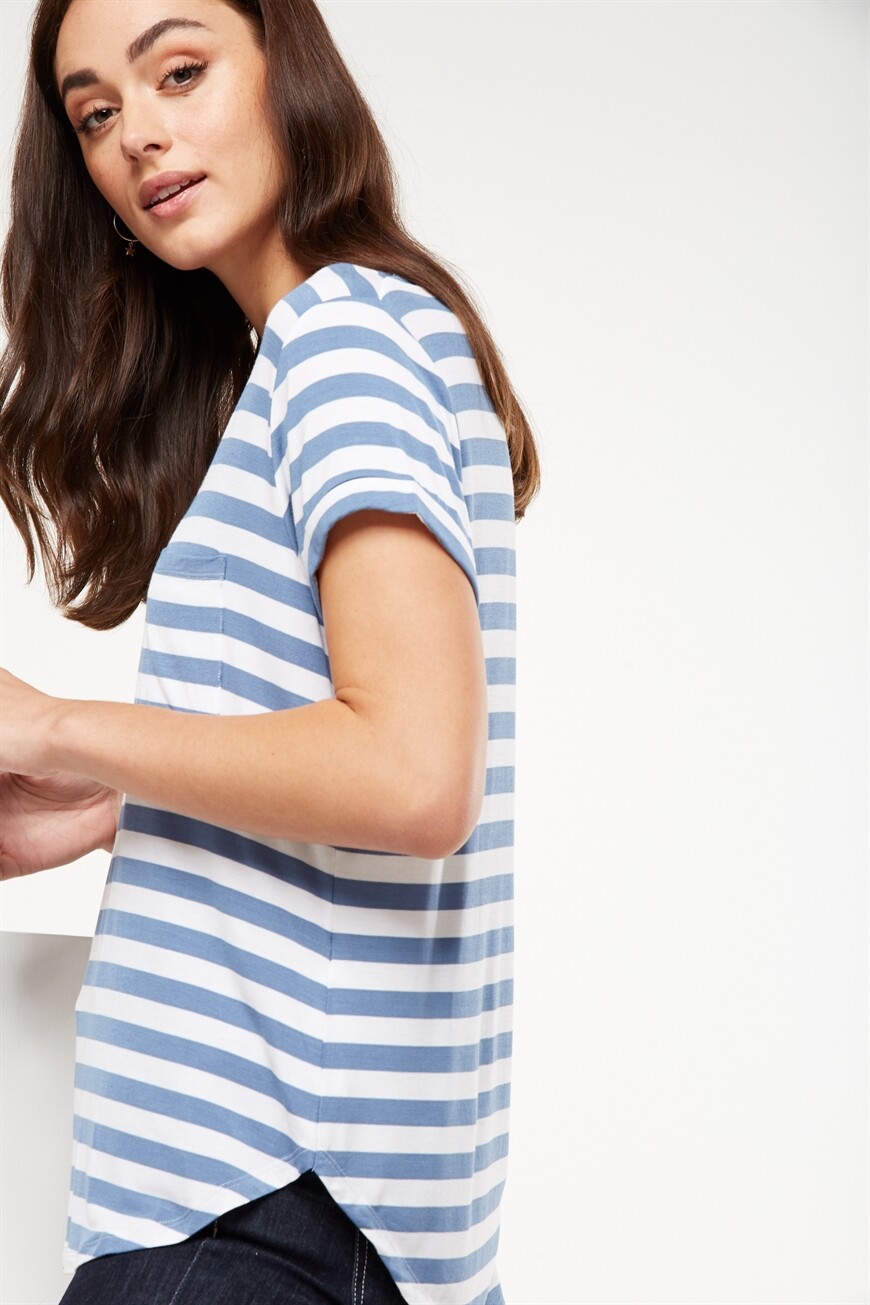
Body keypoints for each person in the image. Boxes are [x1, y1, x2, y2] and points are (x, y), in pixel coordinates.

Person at [0, 0, 540, 1302]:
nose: (137, 136)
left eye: (179, 71)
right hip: (323, 1225)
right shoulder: (339, 345)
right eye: (95, 114)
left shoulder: (337, 334)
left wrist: (53, 724)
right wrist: (120, 807)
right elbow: (364, 759)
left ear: (286, 68)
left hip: (243, 1215)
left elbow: (413, 775)